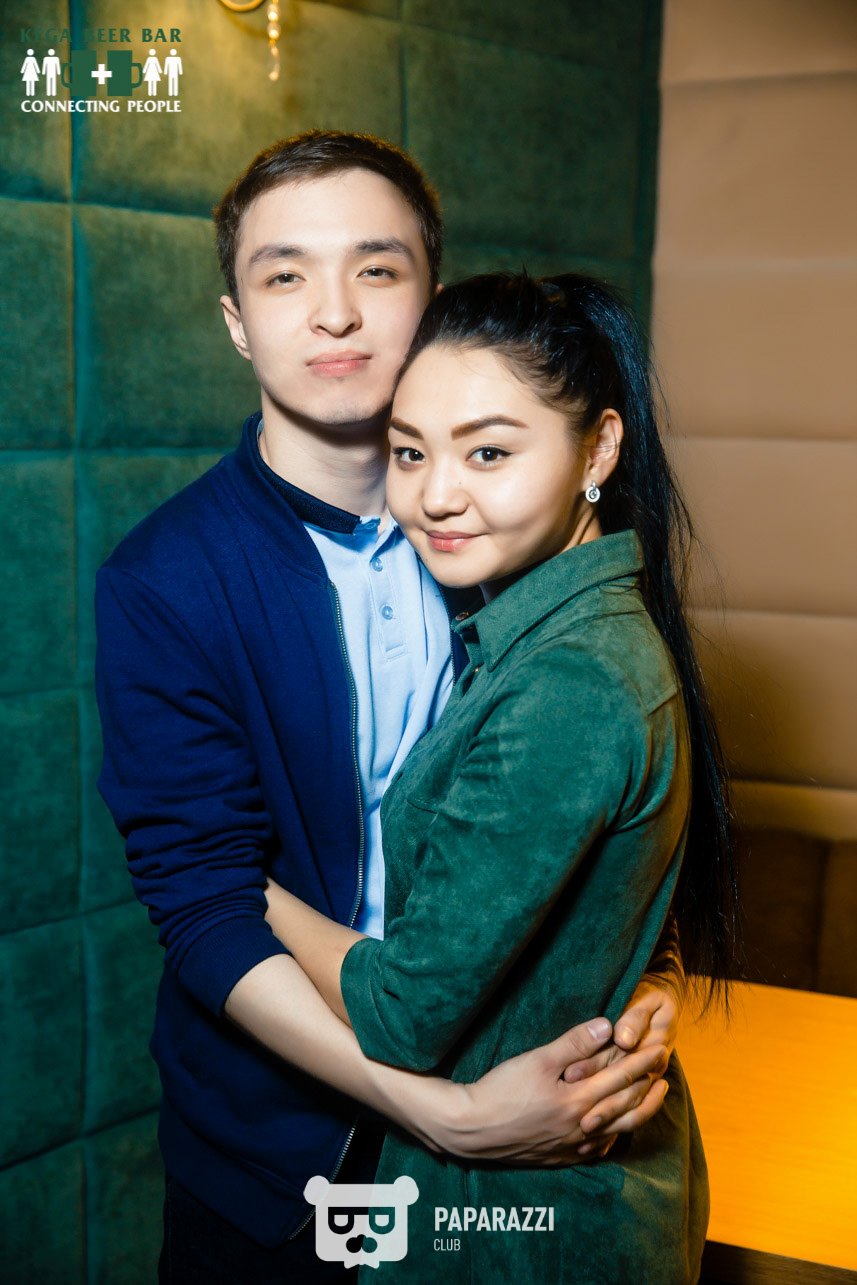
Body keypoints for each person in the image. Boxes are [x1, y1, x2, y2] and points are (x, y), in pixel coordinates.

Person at [95, 132, 686, 1284]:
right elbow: (203, 903)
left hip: (527, 1150)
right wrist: (439, 1110)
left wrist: (649, 974)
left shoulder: (510, 539)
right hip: (278, 1159)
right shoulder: (166, 578)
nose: (334, 312)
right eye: (284, 275)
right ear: (236, 321)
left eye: (375, 268)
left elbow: (603, 810)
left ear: (430, 296)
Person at [262, 272, 740, 1282]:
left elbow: (401, 1012)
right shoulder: (558, 634)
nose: (435, 494)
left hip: (522, 1225)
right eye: (409, 451)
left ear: (597, 450)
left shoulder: (569, 682)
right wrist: (653, 974)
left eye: (487, 451)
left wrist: (239, 885)